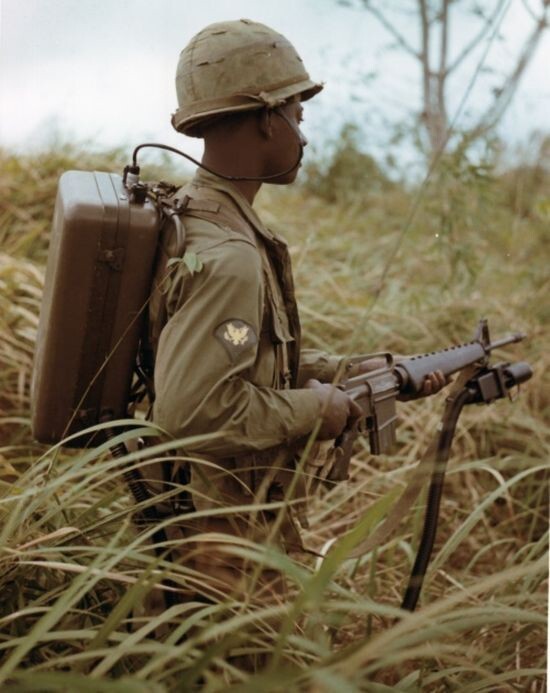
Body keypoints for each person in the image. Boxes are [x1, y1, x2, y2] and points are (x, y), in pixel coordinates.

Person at [145, 19, 446, 608]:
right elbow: (194, 408)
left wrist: (360, 371)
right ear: (265, 118)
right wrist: (320, 407)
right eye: (297, 119)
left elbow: (241, 361)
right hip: (217, 534)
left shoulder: (199, 218)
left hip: (204, 515)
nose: (303, 138)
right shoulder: (229, 257)